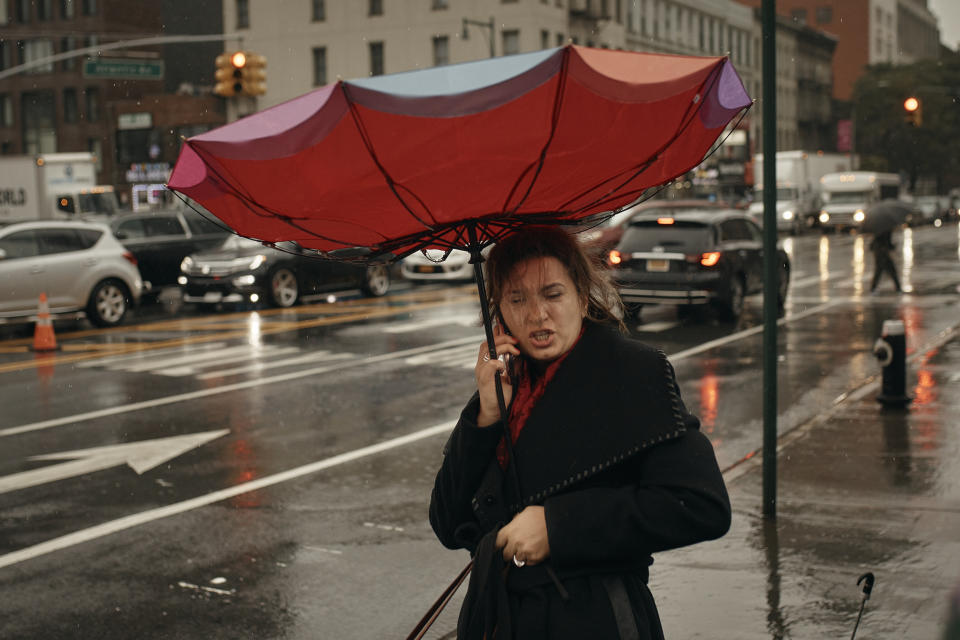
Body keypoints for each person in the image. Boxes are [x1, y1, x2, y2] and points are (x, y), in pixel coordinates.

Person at [428, 226, 731, 639]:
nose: (537, 315)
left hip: (598, 620)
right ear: (499, 313)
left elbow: (698, 505)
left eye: (553, 294)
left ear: (581, 296)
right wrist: (486, 416)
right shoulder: (505, 386)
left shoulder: (633, 372)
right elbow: (449, 524)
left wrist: (559, 526)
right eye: (517, 299)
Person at [869, 229, 902, 293]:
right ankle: (898, 288)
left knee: (879, 271)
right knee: (891, 270)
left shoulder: (880, 229)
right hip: (882, 254)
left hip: (879, 253)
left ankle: (873, 288)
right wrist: (893, 246)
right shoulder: (886, 230)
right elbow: (886, 242)